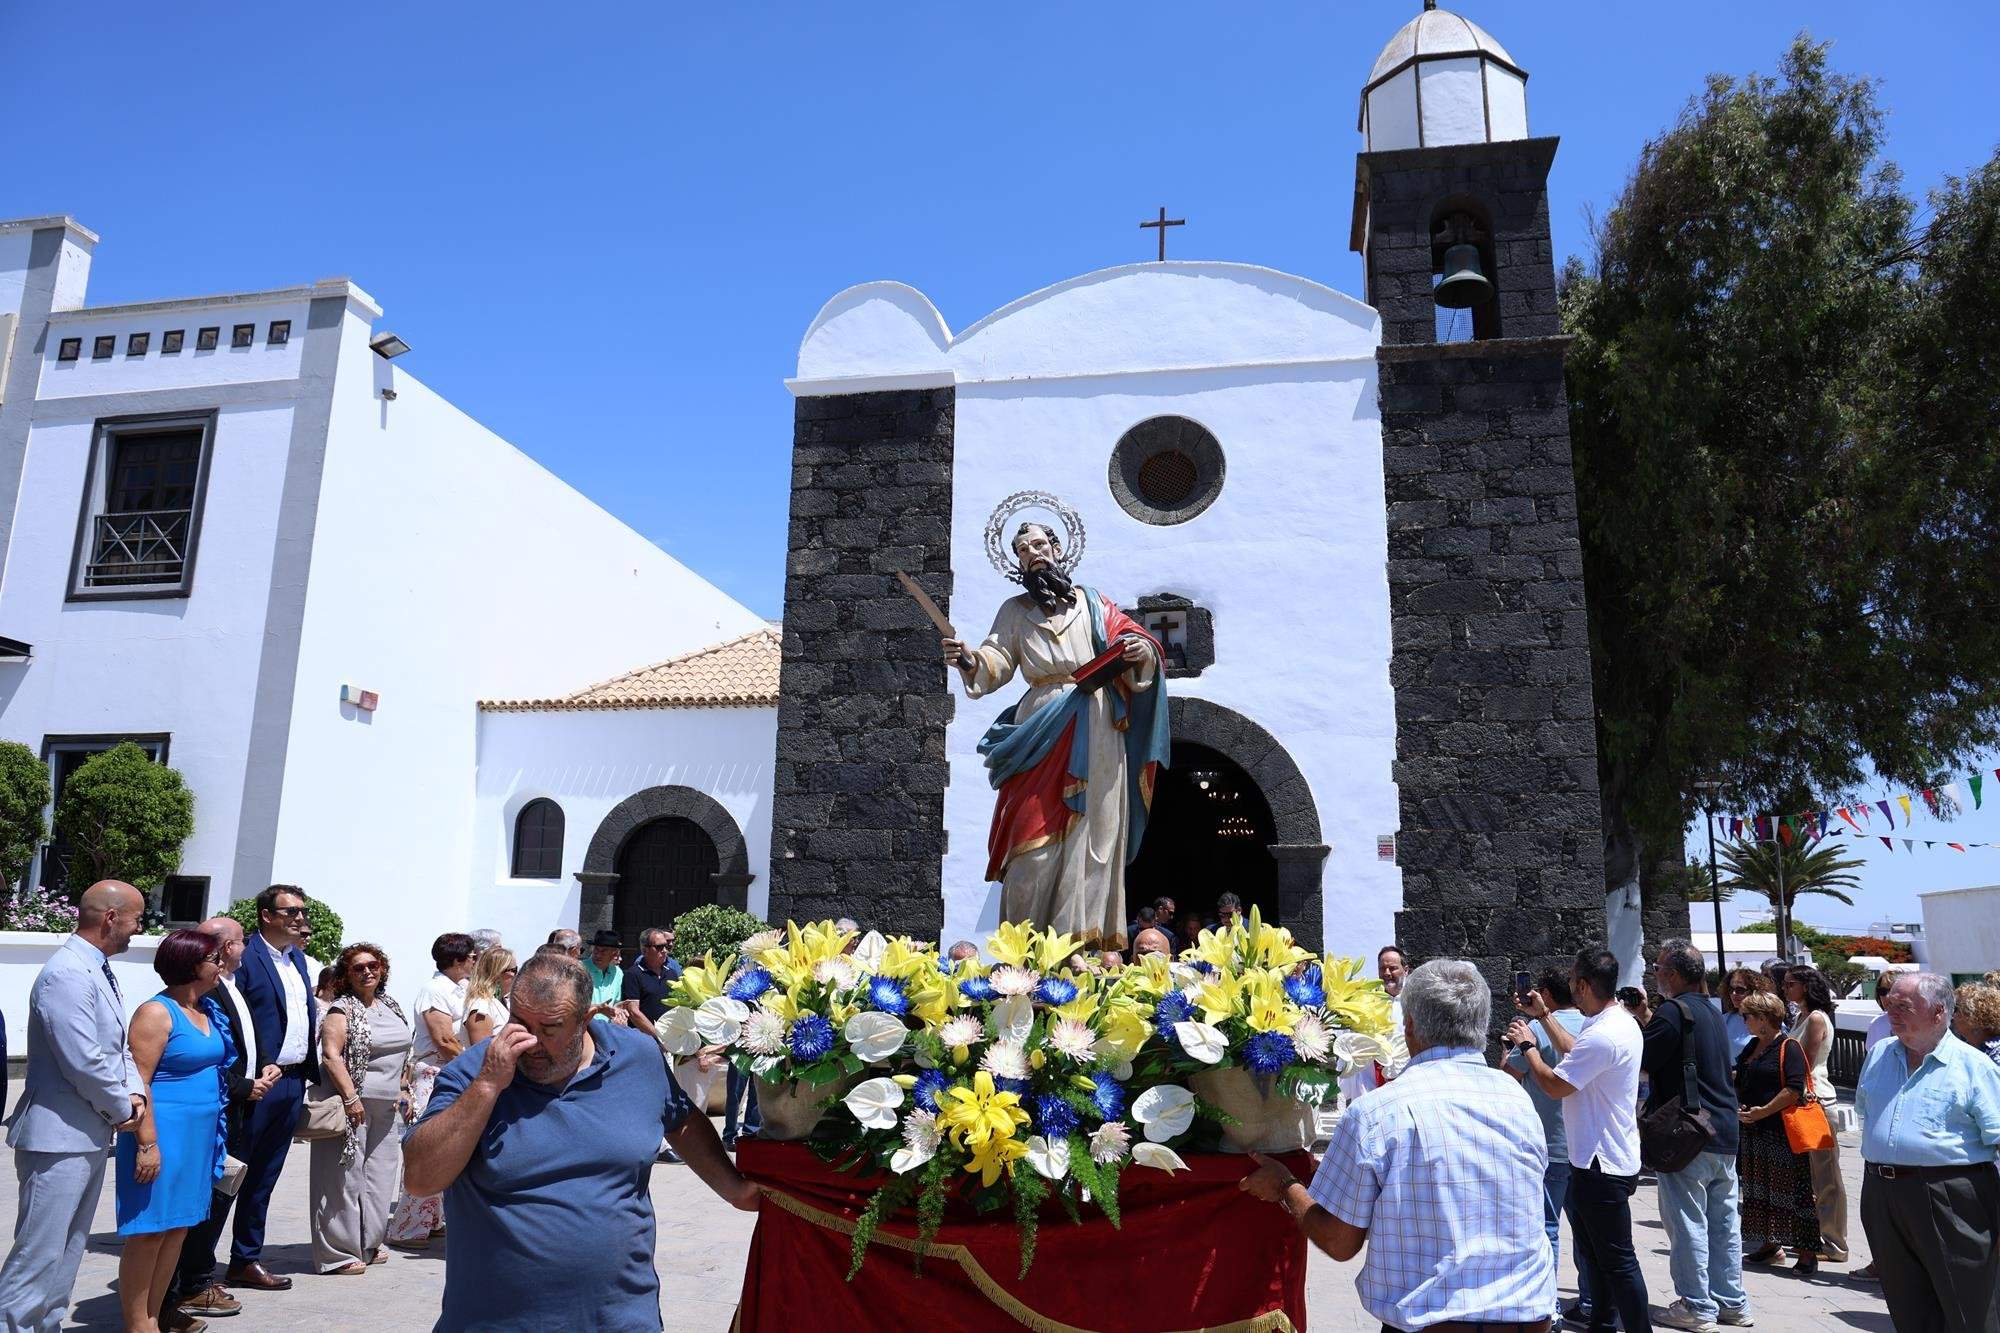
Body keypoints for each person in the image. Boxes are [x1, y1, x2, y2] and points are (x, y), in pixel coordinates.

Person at [402, 954, 760, 1330]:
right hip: (499, 1321)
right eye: (521, 1022)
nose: (531, 1042)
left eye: (550, 1028)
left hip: (621, 1318)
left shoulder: (636, 1056)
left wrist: (734, 1189)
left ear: (586, 1018)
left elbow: (681, 1119)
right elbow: (421, 1178)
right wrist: (488, 1086)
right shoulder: (474, 1072)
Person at [1240, 960, 1555, 1331]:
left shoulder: (1378, 1111)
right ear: (1481, 1026)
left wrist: (1284, 1186)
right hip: (1528, 1319)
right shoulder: (1516, 1099)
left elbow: (1340, 1242)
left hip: (1436, 1324)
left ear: (1408, 1026)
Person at [941, 520, 1167, 950]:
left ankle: (1081, 948)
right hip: (1041, 724)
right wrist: (969, 659)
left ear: (1058, 549)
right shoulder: (1014, 610)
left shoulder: (1096, 605)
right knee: (1029, 839)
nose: (1033, 553)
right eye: (1023, 550)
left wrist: (1142, 653)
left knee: (1096, 833)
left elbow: (1139, 644)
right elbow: (995, 662)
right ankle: (1024, 950)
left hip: (1099, 721)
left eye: (1040, 544)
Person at [0, 882, 148, 1330]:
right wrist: (122, 1108)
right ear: (110, 918)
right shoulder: (66, 973)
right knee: (39, 1252)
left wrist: (135, 1092)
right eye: (136, 919)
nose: (138, 929)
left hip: (85, 1131)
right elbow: (81, 1059)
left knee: (68, 1247)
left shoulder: (97, 969)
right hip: (57, 1136)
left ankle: (47, 1325)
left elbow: (117, 1046)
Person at [1507, 947, 1653, 1333]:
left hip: (1600, 1163)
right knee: (1597, 1256)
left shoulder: (1605, 1034)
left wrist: (1529, 1046)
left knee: (1619, 1262)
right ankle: (1601, 1324)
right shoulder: (1616, 1021)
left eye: (1573, 981)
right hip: (1603, 1157)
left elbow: (1555, 1085)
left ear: (1585, 985)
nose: (1570, 986)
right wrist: (1543, 1016)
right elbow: (1576, 1049)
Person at [1855, 972, 2000, 1333]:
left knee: (1970, 1307)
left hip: (1951, 1194)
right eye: (1890, 1004)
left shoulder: (1973, 1066)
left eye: (1903, 1006)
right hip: (1881, 1192)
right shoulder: (1878, 1055)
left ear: (1938, 1013)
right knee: (1907, 1306)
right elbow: (1865, 1110)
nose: (1892, 1013)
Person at [167, 917, 281, 1325]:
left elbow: (247, 1039)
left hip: (244, 1104)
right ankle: (192, 1284)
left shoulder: (227, 986)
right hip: (217, 1110)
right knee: (208, 1201)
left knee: (223, 1193)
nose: (245, 947)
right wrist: (241, 1087)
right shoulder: (194, 998)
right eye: (237, 942)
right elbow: (206, 1061)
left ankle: (196, 1279)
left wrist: (267, 1066)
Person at [115, 929, 230, 1332]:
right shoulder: (156, 1012)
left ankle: (154, 1316)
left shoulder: (205, 1009)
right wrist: (147, 1143)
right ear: (191, 964)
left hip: (198, 1139)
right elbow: (138, 1081)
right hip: (162, 1134)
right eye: (214, 959)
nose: (221, 965)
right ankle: (137, 1325)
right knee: (148, 1232)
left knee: (178, 1228)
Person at [1639, 940, 1748, 1331]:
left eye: (1658, 968)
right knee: (1723, 1224)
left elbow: (1642, 1061)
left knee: (1687, 1223)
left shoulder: (1672, 1011)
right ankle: (1732, 1302)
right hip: (1723, 1130)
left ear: (1672, 974)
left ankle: (1696, 1306)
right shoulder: (1712, 1012)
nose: (1655, 974)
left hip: (1688, 1133)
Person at [225, 883, 319, 1292]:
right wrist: (251, 1072)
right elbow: (234, 1018)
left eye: (302, 911)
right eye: (290, 911)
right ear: (266, 915)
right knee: (231, 1173)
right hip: (257, 1082)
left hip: (292, 1080)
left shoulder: (297, 959)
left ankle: (245, 1259)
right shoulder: (247, 957)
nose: (299, 918)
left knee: (265, 1175)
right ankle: (193, 1268)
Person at [310, 943, 412, 1275]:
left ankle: (368, 1241)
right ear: (347, 974)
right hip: (351, 1104)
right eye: (358, 967)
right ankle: (337, 1252)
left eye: (373, 965)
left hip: (387, 1106)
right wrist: (351, 1097)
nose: (368, 971)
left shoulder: (391, 1005)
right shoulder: (342, 1009)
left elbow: (403, 1053)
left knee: (380, 1176)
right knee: (343, 1178)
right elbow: (331, 1054)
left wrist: (405, 1087)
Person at [1504, 968, 1588, 1328]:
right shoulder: (1590, 1025)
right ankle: (1590, 1301)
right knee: (1584, 1230)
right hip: (1583, 1145)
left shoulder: (1535, 1030)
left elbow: (1511, 1073)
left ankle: (1548, 1305)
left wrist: (1511, 1045)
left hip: (1546, 1140)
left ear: (1545, 996)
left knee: (1547, 1228)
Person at [384, 933, 475, 1251]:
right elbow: (444, 1039)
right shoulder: (434, 990)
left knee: (446, 1149)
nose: (475, 962)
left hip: (448, 1071)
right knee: (427, 1147)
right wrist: (475, 1065)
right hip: (433, 1074)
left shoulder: (458, 989)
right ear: (458, 960)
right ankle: (406, 1227)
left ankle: (431, 1219)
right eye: (471, 957)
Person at [1733, 991, 1821, 1272]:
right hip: (1753, 1130)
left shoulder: (1788, 1047)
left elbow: (1794, 1089)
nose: (1743, 1020)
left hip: (1780, 1132)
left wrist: (1763, 1110)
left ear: (1762, 1019)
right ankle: (1770, 1244)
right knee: (1759, 1190)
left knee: (1794, 1191)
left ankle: (1807, 1252)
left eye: (1747, 1015)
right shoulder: (1752, 1047)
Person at [1779, 964, 1848, 1266]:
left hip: (1817, 1099)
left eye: (1790, 983)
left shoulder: (1817, 1018)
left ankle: (1836, 1243)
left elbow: (1802, 1060)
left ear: (1805, 986)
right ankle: (1818, 1235)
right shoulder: (1802, 1017)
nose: (1785, 989)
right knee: (1811, 1175)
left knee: (1826, 1176)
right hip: (1806, 1099)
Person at [1340, 945, 1411, 1102]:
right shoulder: (1369, 1001)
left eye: (1392, 968)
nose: (1386, 973)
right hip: (1371, 1081)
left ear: (1405, 970)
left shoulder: (1415, 1002)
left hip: (1406, 1079)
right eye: (1382, 968)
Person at [460, 948, 517, 1048]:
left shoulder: (499, 1002)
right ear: (497, 973)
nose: (516, 975)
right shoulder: (482, 1006)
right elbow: (481, 1054)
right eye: (513, 970)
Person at [1720, 968, 1768, 1061]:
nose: (1734, 994)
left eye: (1740, 990)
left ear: (1754, 991)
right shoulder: (1724, 1020)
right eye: (1731, 989)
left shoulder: (1768, 1020)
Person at [1950, 982, 2000, 1066]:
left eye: (1955, 1009)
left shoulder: (1995, 1055)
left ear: (1974, 1017)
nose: (1952, 1015)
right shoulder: (1969, 1049)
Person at [585, 930, 627, 1022]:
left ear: (615, 953)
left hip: (606, 1029)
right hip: (584, 1026)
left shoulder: (618, 973)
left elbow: (616, 1003)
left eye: (604, 951)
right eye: (596, 949)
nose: (598, 954)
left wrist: (619, 1012)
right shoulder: (580, 969)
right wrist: (598, 1008)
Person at [1864, 971, 1897, 1053]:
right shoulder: (1876, 1024)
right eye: (1882, 991)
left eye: (1892, 990)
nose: (1887, 996)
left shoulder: (1918, 1021)